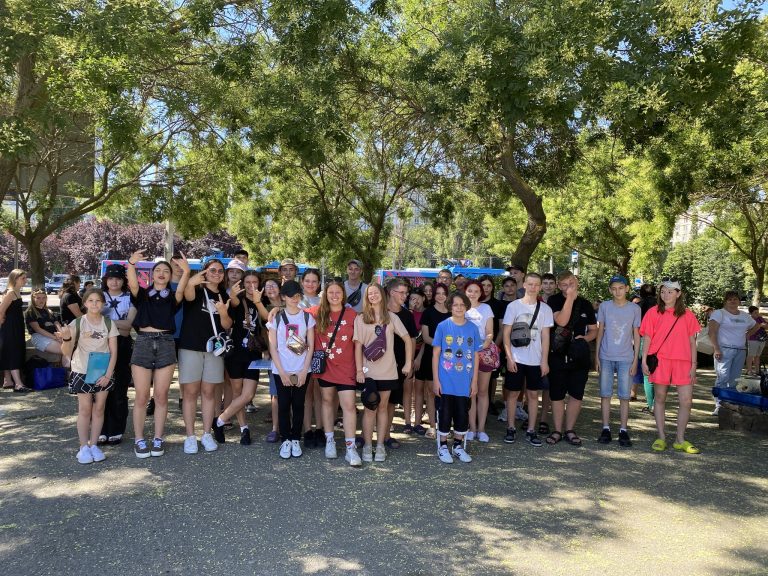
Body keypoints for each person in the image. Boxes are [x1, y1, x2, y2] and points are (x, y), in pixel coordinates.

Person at [127, 251, 190, 457]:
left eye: (166, 271)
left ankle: (158, 438)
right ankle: (139, 439)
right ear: (152, 275)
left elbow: (181, 290)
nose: (162, 273)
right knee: (142, 396)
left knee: (161, 396)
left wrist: (186, 271)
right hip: (143, 342)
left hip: (166, 343)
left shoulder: (173, 296)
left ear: (170, 275)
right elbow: (133, 284)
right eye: (158, 270)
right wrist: (131, 264)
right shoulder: (142, 294)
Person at [353, 283, 413, 463]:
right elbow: (357, 346)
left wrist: (408, 363)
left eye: (376, 292)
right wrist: (358, 370)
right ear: (366, 297)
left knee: (383, 407)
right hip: (368, 372)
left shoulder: (392, 317)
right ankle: (367, 445)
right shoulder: (361, 318)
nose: (373, 296)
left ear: (382, 294)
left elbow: (407, 339)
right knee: (369, 408)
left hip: (388, 371)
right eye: (370, 293)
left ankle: (380, 445)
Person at [58, 288, 119, 464]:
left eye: (98, 300)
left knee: (99, 408)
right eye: (90, 300)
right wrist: (66, 338)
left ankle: (94, 444)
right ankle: (83, 446)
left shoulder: (109, 323)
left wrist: (108, 375)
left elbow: (114, 352)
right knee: (85, 409)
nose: (94, 304)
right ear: (84, 303)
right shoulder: (77, 323)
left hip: (103, 373)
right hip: (81, 370)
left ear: (103, 303)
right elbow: (66, 351)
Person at [640, 278, 701, 454]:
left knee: (686, 401)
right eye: (663, 291)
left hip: (684, 362)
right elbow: (647, 338)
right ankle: (661, 437)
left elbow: (692, 342)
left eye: (670, 291)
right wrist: (644, 360)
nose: (666, 295)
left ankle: (680, 439)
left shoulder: (688, 314)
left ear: (678, 294)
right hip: (661, 361)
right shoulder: (652, 312)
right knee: (659, 398)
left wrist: (694, 365)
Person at [178, 259, 232, 454]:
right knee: (190, 392)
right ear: (205, 272)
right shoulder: (196, 289)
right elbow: (187, 295)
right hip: (190, 346)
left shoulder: (224, 294)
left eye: (220, 271)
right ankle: (190, 436)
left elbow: (227, 325)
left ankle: (207, 433)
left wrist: (223, 312)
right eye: (212, 270)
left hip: (214, 350)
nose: (216, 274)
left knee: (209, 393)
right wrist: (190, 280)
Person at [311, 280, 360, 465]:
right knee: (326, 401)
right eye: (330, 292)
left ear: (343, 295)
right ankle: (329, 440)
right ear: (325, 295)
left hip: (347, 367)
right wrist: (276, 309)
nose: (334, 295)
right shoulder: (316, 313)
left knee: (349, 406)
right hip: (326, 367)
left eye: (338, 292)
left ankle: (350, 447)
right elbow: (293, 312)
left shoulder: (352, 315)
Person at [213, 270, 264, 446]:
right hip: (235, 353)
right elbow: (232, 307)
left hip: (253, 353)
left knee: (248, 394)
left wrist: (258, 301)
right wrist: (232, 296)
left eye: (255, 282)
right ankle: (244, 429)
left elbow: (266, 320)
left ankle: (220, 419)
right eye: (248, 282)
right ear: (242, 284)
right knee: (237, 393)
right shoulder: (236, 300)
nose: (251, 286)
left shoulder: (261, 301)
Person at [501, 273, 554, 446]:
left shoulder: (545, 309)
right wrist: (509, 358)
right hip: (516, 358)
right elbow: (506, 334)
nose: (533, 287)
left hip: (535, 359)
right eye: (530, 284)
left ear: (540, 287)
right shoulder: (513, 306)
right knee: (513, 394)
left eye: (536, 284)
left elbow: (546, 337)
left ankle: (531, 430)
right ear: (524, 284)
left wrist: (544, 361)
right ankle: (510, 427)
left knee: (533, 394)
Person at [546, 271, 597, 446]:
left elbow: (594, 330)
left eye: (572, 283)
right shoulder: (553, 301)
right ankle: (557, 430)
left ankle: (569, 430)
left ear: (577, 283)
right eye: (565, 284)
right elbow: (561, 321)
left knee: (576, 394)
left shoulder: (586, 304)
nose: (569, 287)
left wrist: (586, 338)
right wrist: (569, 298)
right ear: (559, 286)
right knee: (557, 394)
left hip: (579, 355)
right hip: (558, 354)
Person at [267, 280, 315, 459]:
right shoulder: (276, 318)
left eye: (297, 296)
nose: (294, 299)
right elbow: (273, 347)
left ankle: (296, 438)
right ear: (283, 297)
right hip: (281, 370)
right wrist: (282, 372)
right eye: (290, 296)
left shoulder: (307, 318)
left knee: (299, 404)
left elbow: (311, 346)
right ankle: (285, 439)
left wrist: (304, 370)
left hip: (302, 369)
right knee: (283, 405)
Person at [433, 291, 481, 463]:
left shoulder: (473, 328)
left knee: (462, 413)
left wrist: (474, 381)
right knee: (445, 413)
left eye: (462, 305)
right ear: (450, 307)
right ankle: (443, 446)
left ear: (467, 306)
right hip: (445, 380)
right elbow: (436, 354)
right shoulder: (442, 326)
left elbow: (476, 356)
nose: (459, 308)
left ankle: (458, 446)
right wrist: (436, 380)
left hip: (465, 381)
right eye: (455, 305)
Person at [594, 275, 641, 447]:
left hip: (626, 357)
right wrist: (596, 355)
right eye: (614, 288)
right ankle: (605, 428)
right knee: (605, 394)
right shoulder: (605, 306)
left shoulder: (634, 308)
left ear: (627, 288)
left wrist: (635, 359)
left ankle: (623, 429)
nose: (617, 291)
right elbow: (600, 331)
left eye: (621, 288)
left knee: (624, 396)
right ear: (609, 290)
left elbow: (637, 334)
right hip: (606, 355)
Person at [99, 263, 137, 446]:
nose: (114, 282)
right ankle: (100, 429)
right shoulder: (98, 296)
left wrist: (105, 322)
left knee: (119, 389)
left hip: (122, 345)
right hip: (99, 345)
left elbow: (128, 326)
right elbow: (92, 321)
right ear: (106, 280)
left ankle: (116, 429)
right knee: (99, 388)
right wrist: (117, 324)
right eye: (111, 278)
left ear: (124, 280)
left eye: (118, 278)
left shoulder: (130, 298)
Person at [384, 279, 419, 450]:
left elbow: (412, 339)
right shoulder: (380, 311)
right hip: (378, 363)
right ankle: (367, 436)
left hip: (398, 364)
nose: (405, 296)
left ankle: (386, 436)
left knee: (391, 401)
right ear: (392, 292)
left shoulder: (407, 315)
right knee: (375, 401)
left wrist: (409, 362)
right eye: (402, 293)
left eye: (406, 293)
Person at [709, 290, 755, 415]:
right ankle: (719, 405)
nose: (733, 301)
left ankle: (729, 404)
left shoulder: (745, 316)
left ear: (739, 301)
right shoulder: (719, 313)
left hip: (740, 350)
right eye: (730, 299)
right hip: (724, 350)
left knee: (734, 380)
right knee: (722, 378)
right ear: (725, 301)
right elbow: (711, 332)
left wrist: (748, 335)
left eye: (735, 299)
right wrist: (716, 348)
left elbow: (755, 325)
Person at [416, 282, 451, 437]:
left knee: (447, 392)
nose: (441, 296)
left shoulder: (452, 314)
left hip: (449, 358)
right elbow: (425, 337)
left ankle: (445, 424)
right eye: (438, 293)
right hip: (431, 356)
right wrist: (442, 346)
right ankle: (432, 426)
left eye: (444, 293)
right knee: (431, 392)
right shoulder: (428, 312)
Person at [463, 280, 494, 442]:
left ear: (481, 293)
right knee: (470, 392)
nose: (473, 294)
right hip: (465, 354)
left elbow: (489, 332)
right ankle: (471, 428)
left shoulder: (486, 308)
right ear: (465, 291)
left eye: (476, 291)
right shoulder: (460, 307)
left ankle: (481, 429)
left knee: (482, 391)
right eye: (470, 290)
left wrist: (484, 345)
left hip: (483, 352)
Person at [299, 268, 323, 447]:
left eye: (314, 281)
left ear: (319, 283)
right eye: (307, 280)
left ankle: (321, 429)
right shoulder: (295, 300)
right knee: (306, 393)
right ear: (302, 282)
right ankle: (307, 430)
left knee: (320, 392)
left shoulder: (324, 301)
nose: (310, 284)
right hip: (301, 350)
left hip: (320, 349)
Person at [258, 277, 283, 442]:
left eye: (273, 285)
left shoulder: (291, 302)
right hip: (274, 354)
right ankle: (275, 428)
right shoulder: (262, 307)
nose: (271, 288)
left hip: (294, 354)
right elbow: (262, 331)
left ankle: (291, 424)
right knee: (275, 393)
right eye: (267, 287)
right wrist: (266, 350)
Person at [0, 270, 31, 392]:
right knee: (13, 352)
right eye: (23, 278)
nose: (25, 280)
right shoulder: (11, 292)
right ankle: (18, 384)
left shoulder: (17, 292)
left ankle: (8, 380)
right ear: (15, 279)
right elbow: (1, 311)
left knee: (9, 351)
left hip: (16, 325)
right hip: (10, 326)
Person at [403, 287, 426, 435]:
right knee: (407, 388)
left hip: (421, 354)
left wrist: (418, 358)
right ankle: (407, 422)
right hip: (407, 354)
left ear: (423, 298)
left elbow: (425, 338)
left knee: (419, 389)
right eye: (411, 298)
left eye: (417, 298)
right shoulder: (405, 313)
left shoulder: (427, 314)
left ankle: (418, 422)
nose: (414, 301)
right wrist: (409, 359)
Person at [25, 289, 66, 364]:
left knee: (70, 346)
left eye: (44, 298)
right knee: (65, 350)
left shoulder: (49, 311)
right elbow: (38, 329)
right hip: (39, 336)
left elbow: (56, 323)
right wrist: (55, 338)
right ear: (33, 299)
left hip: (54, 334)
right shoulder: (30, 312)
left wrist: (61, 334)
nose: (41, 300)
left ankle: (65, 369)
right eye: (38, 298)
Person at [745, 306, 766, 376]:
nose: (757, 314)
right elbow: (749, 329)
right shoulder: (749, 319)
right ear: (751, 313)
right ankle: (749, 370)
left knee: (757, 356)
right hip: (753, 340)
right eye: (755, 312)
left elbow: (766, 326)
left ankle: (757, 371)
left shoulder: (760, 318)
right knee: (751, 355)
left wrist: (762, 324)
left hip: (762, 340)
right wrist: (760, 325)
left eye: (758, 312)